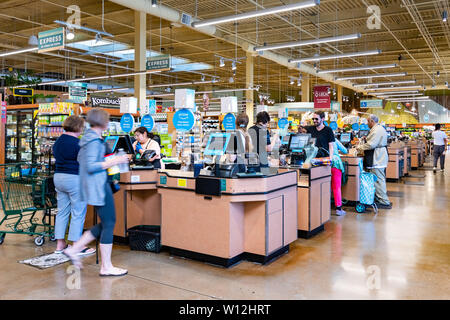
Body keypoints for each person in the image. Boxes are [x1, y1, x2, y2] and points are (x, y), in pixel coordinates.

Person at [63, 109, 130, 276]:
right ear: (102, 122)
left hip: (95, 185)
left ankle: (76, 249)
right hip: (99, 186)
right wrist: (115, 160)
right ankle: (105, 266)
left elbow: (83, 161)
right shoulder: (93, 141)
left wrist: (106, 161)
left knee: (107, 222)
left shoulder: (88, 139)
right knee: (109, 222)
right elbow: (92, 165)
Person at [52, 116, 94, 256]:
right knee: (78, 212)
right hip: (74, 178)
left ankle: (60, 245)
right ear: (78, 127)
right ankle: (76, 245)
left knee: (62, 211)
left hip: (58, 177)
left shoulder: (58, 142)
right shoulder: (79, 143)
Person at [357, 115, 392, 209]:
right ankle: (380, 198)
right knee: (379, 178)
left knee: (378, 179)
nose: (367, 124)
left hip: (377, 157)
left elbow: (371, 144)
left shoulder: (376, 130)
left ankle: (384, 201)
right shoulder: (378, 128)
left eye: (368, 121)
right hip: (379, 156)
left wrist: (359, 147)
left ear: (372, 121)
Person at [331, 138, 348, 216]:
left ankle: (323, 206)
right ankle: (338, 208)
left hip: (323, 162)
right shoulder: (334, 139)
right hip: (335, 163)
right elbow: (345, 151)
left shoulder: (319, 138)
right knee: (336, 187)